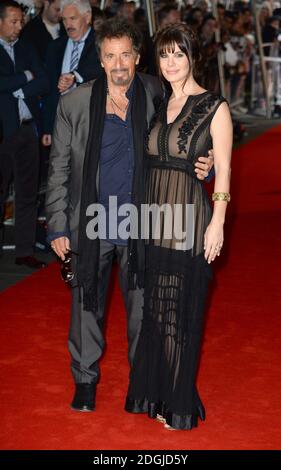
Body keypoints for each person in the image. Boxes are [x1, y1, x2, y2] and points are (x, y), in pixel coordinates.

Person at [45, 19, 214, 412]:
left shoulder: (157, 93)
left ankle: (141, 381)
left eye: (126, 54)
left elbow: (189, 136)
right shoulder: (74, 103)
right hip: (91, 221)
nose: (118, 63)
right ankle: (85, 380)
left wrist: (208, 165)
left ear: (138, 57)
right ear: (100, 60)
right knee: (87, 303)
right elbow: (58, 170)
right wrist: (57, 224)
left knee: (143, 307)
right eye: (110, 56)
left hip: (143, 221)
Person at [125, 23, 233, 430]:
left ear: (192, 57)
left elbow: (222, 171)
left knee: (177, 314)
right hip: (153, 222)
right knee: (155, 312)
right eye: (165, 54)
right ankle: (157, 392)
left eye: (178, 54)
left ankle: (178, 401)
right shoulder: (159, 101)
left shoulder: (214, 106)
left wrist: (218, 223)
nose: (171, 62)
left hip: (187, 220)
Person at [0, 0, 49, 268]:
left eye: (21, 21)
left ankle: (24, 251)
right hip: (4, 133)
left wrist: (19, 88)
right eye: (14, 21)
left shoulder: (27, 47)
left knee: (28, 192)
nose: (19, 26)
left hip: (29, 129)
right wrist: (25, 77)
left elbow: (43, 79)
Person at [42, 0, 102, 147]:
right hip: (60, 122)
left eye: (73, 18)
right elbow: (50, 90)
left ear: (87, 17)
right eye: (64, 19)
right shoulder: (55, 47)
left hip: (90, 121)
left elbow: (101, 69)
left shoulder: (101, 43)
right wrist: (48, 128)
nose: (68, 24)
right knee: (58, 167)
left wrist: (75, 76)